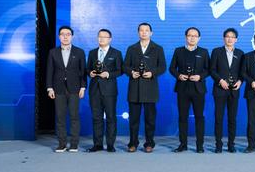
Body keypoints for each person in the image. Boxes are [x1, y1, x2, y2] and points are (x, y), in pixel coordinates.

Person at [123, 22, 166, 153]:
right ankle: (133, 143)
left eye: (146, 30)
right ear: (138, 33)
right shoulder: (132, 48)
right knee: (134, 119)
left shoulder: (158, 48)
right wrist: (131, 72)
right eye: (141, 30)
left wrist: (152, 73)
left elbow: (162, 67)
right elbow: (125, 66)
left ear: (151, 33)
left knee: (150, 119)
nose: (144, 32)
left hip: (150, 89)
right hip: (134, 88)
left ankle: (149, 143)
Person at [169, 27, 210, 153]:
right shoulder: (178, 51)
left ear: (199, 38)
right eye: (190, 35)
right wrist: (178, 75)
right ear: (185, 37)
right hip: (183, 88)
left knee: (199, 117)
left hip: (198, 89)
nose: (192, 38)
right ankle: (183, 144)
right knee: (182, 117)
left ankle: (199, 145)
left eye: (195, 36)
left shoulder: (203, 52)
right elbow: (172, 68)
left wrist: (200, 76)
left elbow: (209, 70)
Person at [45, 26, 86, 153]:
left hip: (75, 89)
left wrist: (83, 87)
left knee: (74, 117)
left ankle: (74, 144)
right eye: (62, 34)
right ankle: (62, 144)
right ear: (59, 37)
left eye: (68, 34)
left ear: (72, 36)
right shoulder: (53, 52)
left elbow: (83, 71)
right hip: (58, 89)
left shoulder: (79, 52)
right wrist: (49, 88)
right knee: (60, 117)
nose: (65, 36)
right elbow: (49, 71)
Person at [86, 28, 123, 152]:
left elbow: (120, 70)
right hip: (94, 90)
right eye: (99, 36)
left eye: (104, 37)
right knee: (96, 118)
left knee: (111, 117)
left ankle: (110, 144)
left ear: (110, 39)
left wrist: (108, 74)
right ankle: (97, 144)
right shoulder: (92, 53)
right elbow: (87, 69)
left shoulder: (116, 53)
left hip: (109, 90)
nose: (101, 39)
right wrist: (90, 73)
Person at [210, 28, 244, 153]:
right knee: (218, 118)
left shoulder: (240, 53)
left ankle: (231, 144)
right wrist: (220, 80)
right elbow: (212, 70)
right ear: (224, 38)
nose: (230, 39)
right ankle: (218, 144)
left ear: (236, 39)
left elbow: (243, 71)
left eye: (232, 37)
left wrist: (240, 81)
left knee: (232, 118)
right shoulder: (216, 51)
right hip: (220, 89)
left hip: (234, 90)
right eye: (227, 36)